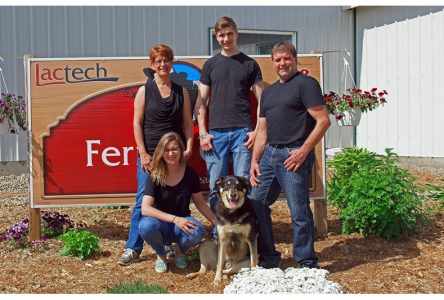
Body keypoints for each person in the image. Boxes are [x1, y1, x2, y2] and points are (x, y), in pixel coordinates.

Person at [249, 41, 331, 269]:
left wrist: (303, 151)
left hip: (293, 155)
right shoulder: (269, 92)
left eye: (286, 58)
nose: (282, 63)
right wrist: (254, 160)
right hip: (268, 155)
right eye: (278, 59)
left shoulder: (306, 84)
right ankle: (269, 257)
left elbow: (323, 121)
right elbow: (262, 131)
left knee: (299, 210)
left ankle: (306, 261)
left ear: (294, 60)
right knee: (256, 203)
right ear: (272, 63)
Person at [118, 44, 194, 266]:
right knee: (143, 201)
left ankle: (173, 245)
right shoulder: (145, 91)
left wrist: (188, 148)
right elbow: (136, 123)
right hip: (150, 156)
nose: (162, 64)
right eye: (158, 61)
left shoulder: (182, 92)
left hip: (174, 155)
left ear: (172, 63)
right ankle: (133, 248)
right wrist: (143, 153)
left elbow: (188, 123)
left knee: (175, 200)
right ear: (152, 65)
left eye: (166, 60)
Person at [194, 16, 264, 235]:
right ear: (217, 37)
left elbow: (263, 101)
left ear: (237, 34)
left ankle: (243, 237)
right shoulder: (211, 65)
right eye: (221, 35)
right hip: (216, 135)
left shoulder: (250, 64)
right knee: (217, 188)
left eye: (229, 34)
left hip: (243, 133)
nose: (226, 38)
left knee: (243, 186)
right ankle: (220, 237)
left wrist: (257, 131)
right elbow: (201, 102)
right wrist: (203, 133)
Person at [139, 132, 217, 273]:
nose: (171, 153)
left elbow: (200, 203)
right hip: (160, 224)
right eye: (167, 150)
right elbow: (145, 209)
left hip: (180, 226)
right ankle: (161, 254)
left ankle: (180, 251)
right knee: (145, 226)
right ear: (161, 152)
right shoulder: (155, 174)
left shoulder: (190, 174)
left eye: (175, 149)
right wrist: (175, 219)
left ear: (181, 151)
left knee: (197, 231)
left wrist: (217, 222)